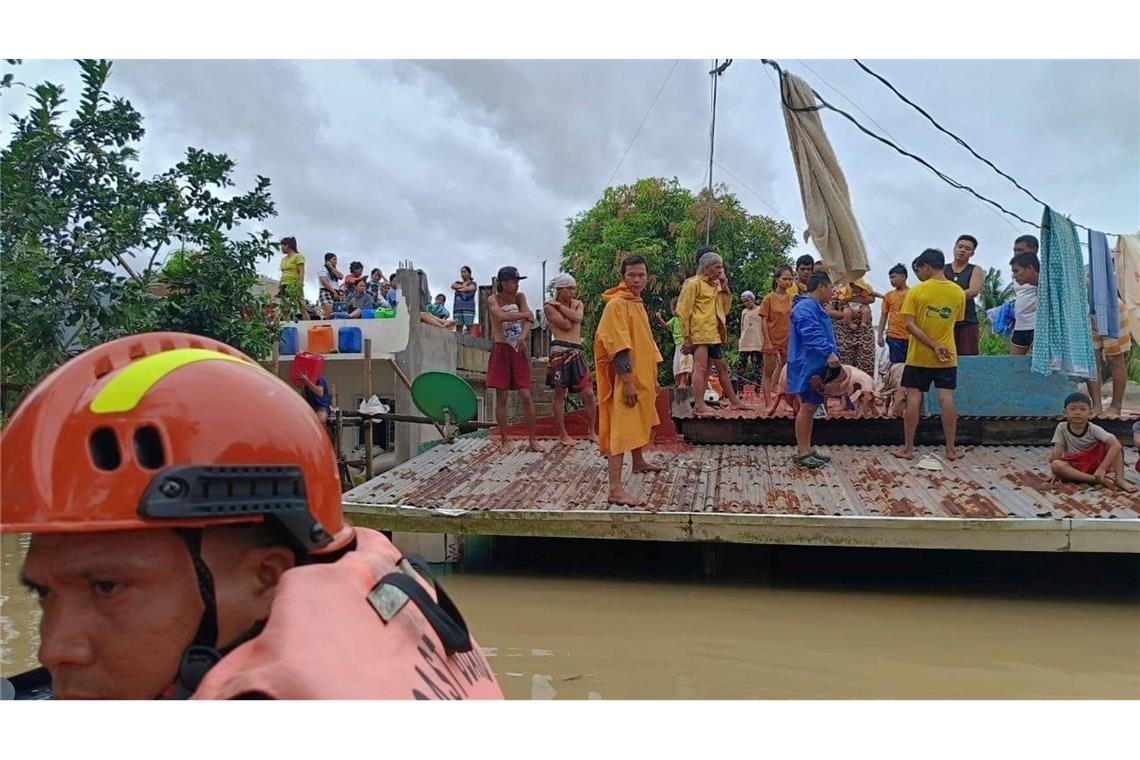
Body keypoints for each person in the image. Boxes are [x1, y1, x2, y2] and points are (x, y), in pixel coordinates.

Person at [0, 332, 503, 700]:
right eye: (44, 594)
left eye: (106, 587)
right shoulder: (384, 615)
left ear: (270, 577)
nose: (53, 650)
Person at [594, 255, 664, 505]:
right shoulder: (617, 304)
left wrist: (652, 375)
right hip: (627, 378)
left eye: (641, 275)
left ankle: (638, 461)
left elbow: (646, 342)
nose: (636, 279)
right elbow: (618, 346)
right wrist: (627, 381)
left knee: (638, 419)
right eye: (631, 275)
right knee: (621, 429)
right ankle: (615, 489)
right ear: (623, 277)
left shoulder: (636, 302)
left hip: (642, 374)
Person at [893, 248, 966, 462]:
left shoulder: (916, 291)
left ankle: (908, 449)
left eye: (920, 270)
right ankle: (951, 450)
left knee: (914, 399)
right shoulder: (958, 292)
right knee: (947, 399)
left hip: (918, 357)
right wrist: (939, 345)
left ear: (926, 266)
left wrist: (932, 345)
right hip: (947, 356)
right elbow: (956, 323)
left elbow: (909, 325)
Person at [677, 250, 749, 416]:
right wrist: (686, 338)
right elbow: (683, 311)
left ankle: (735, 402)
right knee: (700, 368)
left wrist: (725, 289)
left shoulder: (715, 285)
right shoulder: (693, 283)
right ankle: (699, 405)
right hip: (699, 333)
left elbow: (724, 310)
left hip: (713, 333)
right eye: (717, 267)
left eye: (721, 268)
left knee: (722, 368)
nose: (719, 271)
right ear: (707, 267)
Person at [787, 272, 841, 468]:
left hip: (815, 364)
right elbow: (810, 333)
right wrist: (828, 352)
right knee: (808, 407)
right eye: (830, 287)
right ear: (821, 287)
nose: (832, 292)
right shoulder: (805, 307)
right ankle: (802, 452)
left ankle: (806, 448)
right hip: (808, 364)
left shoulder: (814, 307)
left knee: (811, 407)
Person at [487, 266, 543, 452]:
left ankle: (533, 440)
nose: (517, 284)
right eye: (514, 281)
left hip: (518, 348)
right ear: (504, 283)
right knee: (501, 396)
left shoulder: (520, 297)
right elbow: (501, 316)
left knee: (526, 395)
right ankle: (504, 440)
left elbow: (529, 319)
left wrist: (522, 336)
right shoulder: (493, 299)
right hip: (501, 348)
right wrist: (525, 315)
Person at [543, 273, 598, 445]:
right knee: (560, 393)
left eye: (574, 288)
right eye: (569, 288)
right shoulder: (548, 307)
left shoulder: (574, 304)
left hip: (577, 350)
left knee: (588, 392)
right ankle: (562, 434)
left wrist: (559, 305)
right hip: (560, 349)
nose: (573, 292)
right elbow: (566, 325)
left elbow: (578, 318)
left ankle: (591, 431)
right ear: (560, 289)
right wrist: (565, 311)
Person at [1048, 392, 1137, 493]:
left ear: (1090, 414)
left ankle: (1120, 479)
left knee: (1113, 444)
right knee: (1056, 464)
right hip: (1075, 466)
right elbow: (1057, 451)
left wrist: (1102, 468)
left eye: (1082, 409)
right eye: (1072, 409)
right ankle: (1096, 479)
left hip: (1096, 465)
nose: (1077, 412)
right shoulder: (1061, 427)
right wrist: (1055, 473)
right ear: (1065, 413)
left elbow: (1116, 444)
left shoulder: (1093, 429)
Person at [759, 266, 794, 405]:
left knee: (786, 372)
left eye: (790, 279)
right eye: (784, 278)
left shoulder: (792, 299)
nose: (787, 281)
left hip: (787, 340)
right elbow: (763, 320)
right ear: (777, 280)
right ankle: (768, 403)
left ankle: (787, 402)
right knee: (767, 372)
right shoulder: (768, 299)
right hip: (772, 339)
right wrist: (766, 341)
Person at [944, 234, 983, 356]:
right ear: (954, 248)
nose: (962, 250)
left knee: (968, 358)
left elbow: (973, 291)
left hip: (967, 321)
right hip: (944, 320)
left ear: (972, 253)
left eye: (967, 248)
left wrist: (949, 298)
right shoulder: (942, 269)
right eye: (960, 246)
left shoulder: (976, 269)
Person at [831, 278, 877, 378]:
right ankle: (845, 393)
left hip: (864, 334)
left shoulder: (862, 285)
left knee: (866, 368)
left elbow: (871, 298)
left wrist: (849, 298)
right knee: (844, 370)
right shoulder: (834, 288)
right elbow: (830, 311)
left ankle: (865, 392)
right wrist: (852, 316)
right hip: (843, 335)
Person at [1009, 237, 1040, 356]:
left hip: (1038, 324)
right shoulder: (1017, 273)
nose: (1017, 253)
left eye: (1020, 250)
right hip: (1021, 324)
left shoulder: (1045, 273)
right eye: (1015, 250)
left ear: (1034, 250)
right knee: (1013, 363)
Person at [654, 298, 692, 389]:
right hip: (678, 345)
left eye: (677, 308)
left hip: (685, 344)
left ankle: (683, 383)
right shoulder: (674, 320)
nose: (675, 310)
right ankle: (680, 383)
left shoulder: (687, 318)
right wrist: (659, 318)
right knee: (677, 364)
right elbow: (666, 326)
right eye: (673, 308)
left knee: (685, 364)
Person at [877, 263, 911, 365]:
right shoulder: (889, 296)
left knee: (911, 367)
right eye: (890, 278)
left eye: (894, 277)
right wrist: (879, 335)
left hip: (912, 337)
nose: (891, 280)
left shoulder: (913, 294)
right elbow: (883, 316)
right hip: (894, 337)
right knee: (897, 366)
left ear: (903, 277)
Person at [736, 290, 764, 394]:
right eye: (744, 301)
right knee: (741, 367)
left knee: (758, 368)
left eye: (747, 300)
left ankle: (757, 391)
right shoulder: (744, 312)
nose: (746, 303)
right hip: (745, 343)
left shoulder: (760, 310)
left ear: (752, 299)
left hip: (757, 342)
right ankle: (740, 391)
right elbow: (742, 327)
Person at [277, 237, 306, 321]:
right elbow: (283, 272)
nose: (281, 248)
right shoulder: (283, 259)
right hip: (284, 284)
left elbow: (302, 271)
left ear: (288, 245)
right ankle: (287, 326)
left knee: (302, 306)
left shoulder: (298, 256)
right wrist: (280, 285)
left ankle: (308, 325)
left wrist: (300, 284)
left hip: (294, 284)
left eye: (282, 245)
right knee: (285, 308)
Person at [451, 266, 478, 333]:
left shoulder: (473, 283)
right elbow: (453, 286)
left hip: (468, 309)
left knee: (469, 328)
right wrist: (464, 287)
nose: (462, 274)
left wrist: (460, 288)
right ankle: (457, 343)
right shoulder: (458, 282)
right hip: (457, 309)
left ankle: (471, 343)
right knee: (458, 328)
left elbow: (470, 288)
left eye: (464, 272)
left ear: (469, 274)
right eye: (461, 272)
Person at [318, 252, 344, 318]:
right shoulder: (322, 268)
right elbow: (324, 281)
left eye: (336, 259)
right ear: (328, 260)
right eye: (334, 259)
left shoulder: (334, 270)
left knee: (337, 313)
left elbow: (341, 277)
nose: (336, 261)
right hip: (326, 291)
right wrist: (333, 292)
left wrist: (332, 268)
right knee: (329, 313)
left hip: (336, 292)